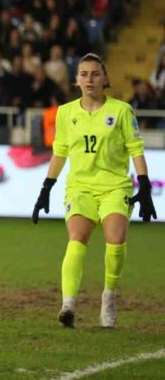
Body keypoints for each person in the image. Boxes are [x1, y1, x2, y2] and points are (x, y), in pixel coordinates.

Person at [32, 53, 156, 329]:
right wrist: (46, 189)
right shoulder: (65, 113)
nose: (90, 79)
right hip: (81, 187)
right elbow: (60, 153)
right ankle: (68, 305)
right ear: (76, 80)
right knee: (77, 237)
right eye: (84, 74)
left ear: (106, 79)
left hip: (114, 186)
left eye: (95, 73)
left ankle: (109, 296)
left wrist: (145, 185)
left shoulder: (122, 111)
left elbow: (136, 149)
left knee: (116, 236)